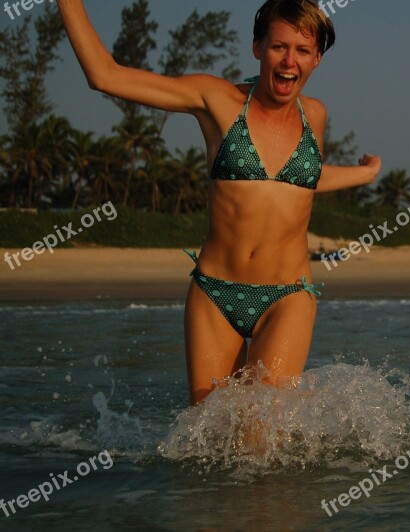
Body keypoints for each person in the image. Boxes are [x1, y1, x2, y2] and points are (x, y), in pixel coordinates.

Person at [57, 0, 381, 405]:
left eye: (302, 51)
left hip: (286, 296)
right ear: (258, 48)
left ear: (316, 58)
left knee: (260, 436)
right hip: (215, 295)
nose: (289, 60)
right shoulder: (217, 100)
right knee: (206, 442)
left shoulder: (314, 114)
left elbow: (297, 181)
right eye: (279, 46)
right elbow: (104, 76)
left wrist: (363, 175)